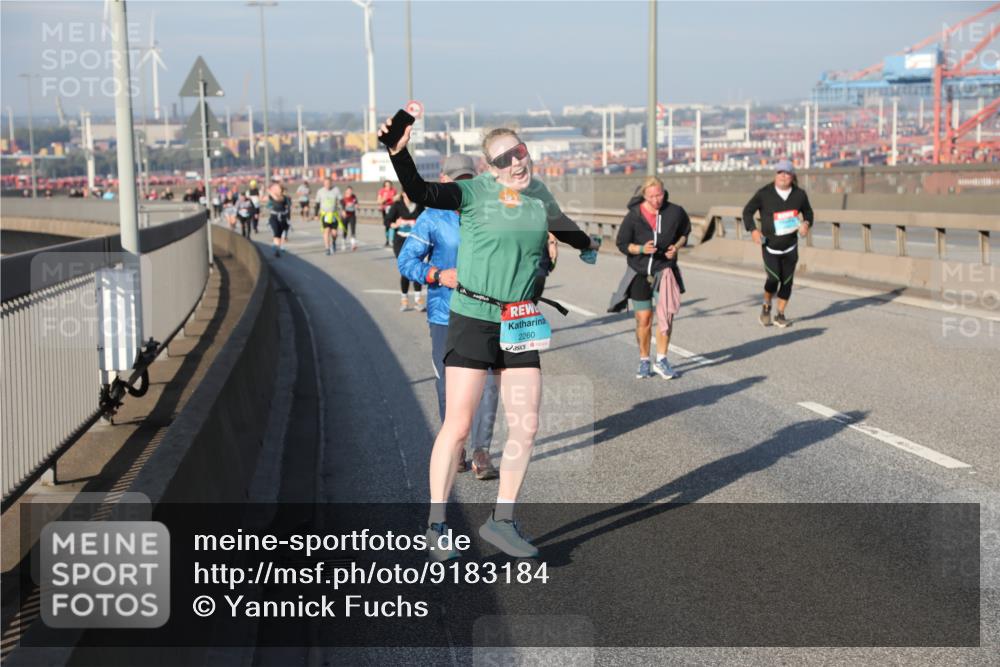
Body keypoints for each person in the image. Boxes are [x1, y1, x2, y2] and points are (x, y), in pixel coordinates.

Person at [380, 116, 600, 559]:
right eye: (504, 158)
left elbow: (560, 221)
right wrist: (399, 152)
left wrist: (587, 244)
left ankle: (502, 520)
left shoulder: (538, 194)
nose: (517, 162)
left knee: (528, 424)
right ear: (491, 167)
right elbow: (423, 192)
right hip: (473, 316)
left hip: (518, 319)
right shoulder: (474, 193)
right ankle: (437, 525)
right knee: (459, 424)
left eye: (520, 151)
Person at [397, 153, 500, 480]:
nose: (462, 186)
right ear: (444, 180)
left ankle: (482, 451)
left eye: (467, 180)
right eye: (457, 181)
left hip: (486, 312)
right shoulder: (432, 217)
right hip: (445, 314)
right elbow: (405, 262)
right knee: (448, 388)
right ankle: (455, 445)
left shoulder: (491, 214)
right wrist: (438, 275)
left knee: (486, 386)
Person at [611, 176, 691, 380]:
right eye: (652, 196)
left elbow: (685, 233)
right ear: (644, 195)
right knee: (644, 319)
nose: (657, 199)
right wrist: (640, 248)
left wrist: (677, 247)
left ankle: (662, 360)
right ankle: (644, 360)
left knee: (666, 316)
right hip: (639, 272)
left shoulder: (675, 212)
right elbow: (621, 243)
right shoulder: (634, 215)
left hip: (664, 271)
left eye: (660, 194)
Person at [742, 159, 814, 328]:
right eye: (780, 172)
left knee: (787, 281)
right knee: (773, 279)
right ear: (775, 174)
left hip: (790, 246)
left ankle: (780, 315)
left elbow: (809, 213)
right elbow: (747, 212)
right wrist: (753, 230)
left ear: (792, 176)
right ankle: (766, 305)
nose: (783, 176)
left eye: (787, 173)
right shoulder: (764, 193)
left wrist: (806, 224)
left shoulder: (799, 195)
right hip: (770, 246)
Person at [386, 192, 426, 311]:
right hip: (400, 242)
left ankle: (418, 299)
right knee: (406, 269)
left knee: (417, 268)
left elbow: (425, 220)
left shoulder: (419, 205)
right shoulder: (397, 205)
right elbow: (387, 220)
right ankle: (404, 299)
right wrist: (395, 224)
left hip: (416, 241)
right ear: (403, 193)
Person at [315, 177, 343, 255]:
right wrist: (316, 214)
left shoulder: (336, 190)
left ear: (331, 183)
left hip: (334, 214)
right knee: (326, 231)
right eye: (326, 183)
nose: (327, 185)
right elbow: (317, 204)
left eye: (329, 183)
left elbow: (341, 200)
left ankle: (333, 242)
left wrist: (343, 210)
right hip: (325, 214)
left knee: (334, 233)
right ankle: (327, 248)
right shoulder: (320, 191)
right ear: (323, 183)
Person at [266, 182, 292, 257]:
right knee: (276, 233)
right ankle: (276, 249)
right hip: (274, 217)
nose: (276, 190)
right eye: (275, 188)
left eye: (278, 188)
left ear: (281, 190)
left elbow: (277, 199)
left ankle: (277, 247)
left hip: (282, 218)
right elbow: (264, 198)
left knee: (279, 235)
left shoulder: (284, 197)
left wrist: (270, 191)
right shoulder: (272, 196)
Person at [377, 180, 398, 247]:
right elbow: (379, 201)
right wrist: (384, 199)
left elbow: (396, 199)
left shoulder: (394, 190)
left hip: (393, 208)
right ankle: (387, 240)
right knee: (387, 225)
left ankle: (392, 240)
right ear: (384, 186)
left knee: (393, 223)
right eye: (386, 185)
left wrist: (394, 198)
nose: (388, 187)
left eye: (389, 185)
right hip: (385, 208)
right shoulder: (382, 191)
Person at [340, 186, 358, 251]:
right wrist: (343, 211)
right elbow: (342, 207)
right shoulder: (343, 199)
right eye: (348, 191)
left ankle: (353, 244)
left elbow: (356, 203)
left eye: (351, 191)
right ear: (346, 191)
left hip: (352, 215)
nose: (350, 192)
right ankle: (343, 243)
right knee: (345, 230)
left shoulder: (354, 197)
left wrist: (356, 206)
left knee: (353, 229)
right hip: (345, 216)